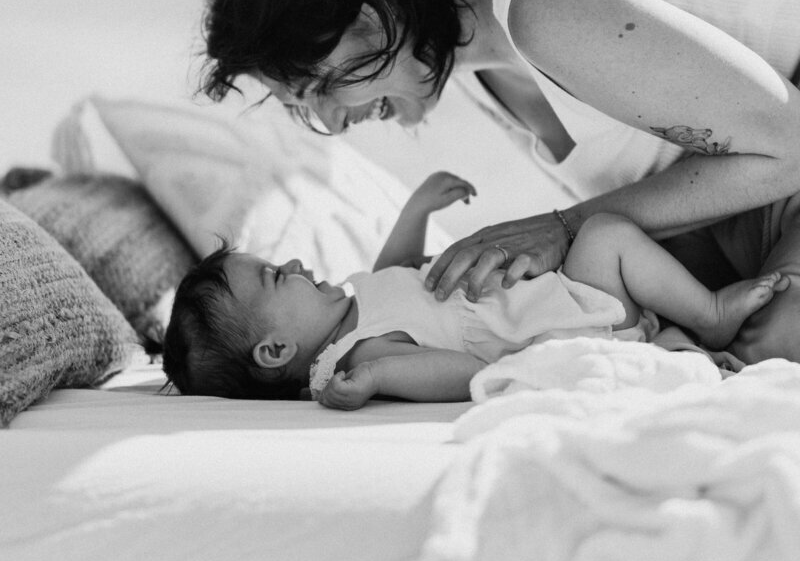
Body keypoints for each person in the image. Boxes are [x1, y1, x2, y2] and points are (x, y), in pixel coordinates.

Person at [199, 0, 800, 365]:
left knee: (771, 340)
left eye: (319, 87)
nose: (330, 124)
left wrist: (560, 228)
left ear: (369, 19)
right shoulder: (470, 49)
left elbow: (790, 144)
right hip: (763, 191)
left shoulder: (544, 6)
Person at [162, 171, 787, 408]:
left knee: (604, 238)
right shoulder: (359, 357)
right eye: (277, 277)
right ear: (274, 351)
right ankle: (708, 317)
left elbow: (398, 271)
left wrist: (414, 209)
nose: (295, 262)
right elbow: (462, 372)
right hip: (570, 323)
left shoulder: (354, 302)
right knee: (604, 234)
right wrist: (379, 383)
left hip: (567, 296)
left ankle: (687, 336)